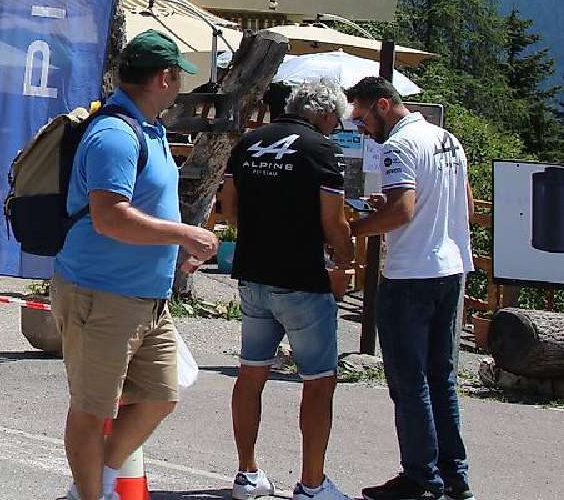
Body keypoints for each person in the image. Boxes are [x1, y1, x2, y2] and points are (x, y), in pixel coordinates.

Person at [53, 31, 218, 500]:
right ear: (164, 78)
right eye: (177, 79)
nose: (179, 88)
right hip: (101, 295)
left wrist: (175, 249)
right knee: (90, 410)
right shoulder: (113, 135)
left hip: (146, 297)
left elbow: (148, 208)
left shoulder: (149, 129)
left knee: (161, 394)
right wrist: (183, 234)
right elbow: (109, 217)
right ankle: (91, 492)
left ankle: (95, 479)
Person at [219, 79, 357, 500]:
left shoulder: (249, 143)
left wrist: (254, 234)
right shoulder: (321, 150)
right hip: (302, 280)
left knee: (251, 372)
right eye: (336, 121)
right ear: (327, 114)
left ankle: (247, 474)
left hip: (253, 275)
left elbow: (228, 204)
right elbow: (334, 223)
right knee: (318, 380)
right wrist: (348, 255)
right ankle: (312, 484)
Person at [347, 77, 474, 500]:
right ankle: (453, 473)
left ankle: (420, 476)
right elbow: (465, 204)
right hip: (452, 267)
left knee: (409, 379)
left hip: (411, 273)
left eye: (361, 117)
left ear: (383, 106)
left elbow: (402, 211)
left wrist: (356, 230)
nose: (359, 127)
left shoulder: (398, 146)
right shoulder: (447, 139)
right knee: (441, 377)